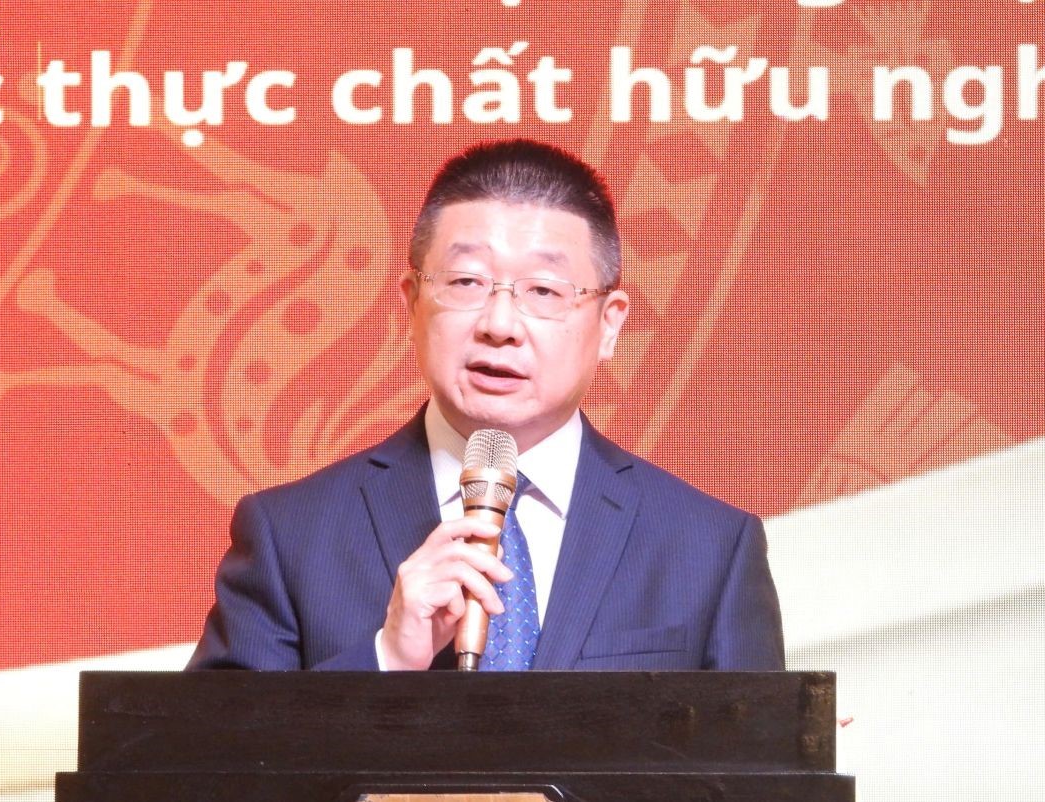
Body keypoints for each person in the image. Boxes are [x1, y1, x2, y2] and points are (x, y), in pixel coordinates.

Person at [188, 139, 784, 671]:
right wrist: (384, 661)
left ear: (609, 325)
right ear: (411, 303)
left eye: (543, 290)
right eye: (466, 282)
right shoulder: (289, 535)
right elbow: (210, 751)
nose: (499, 325)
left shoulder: (709, 549)